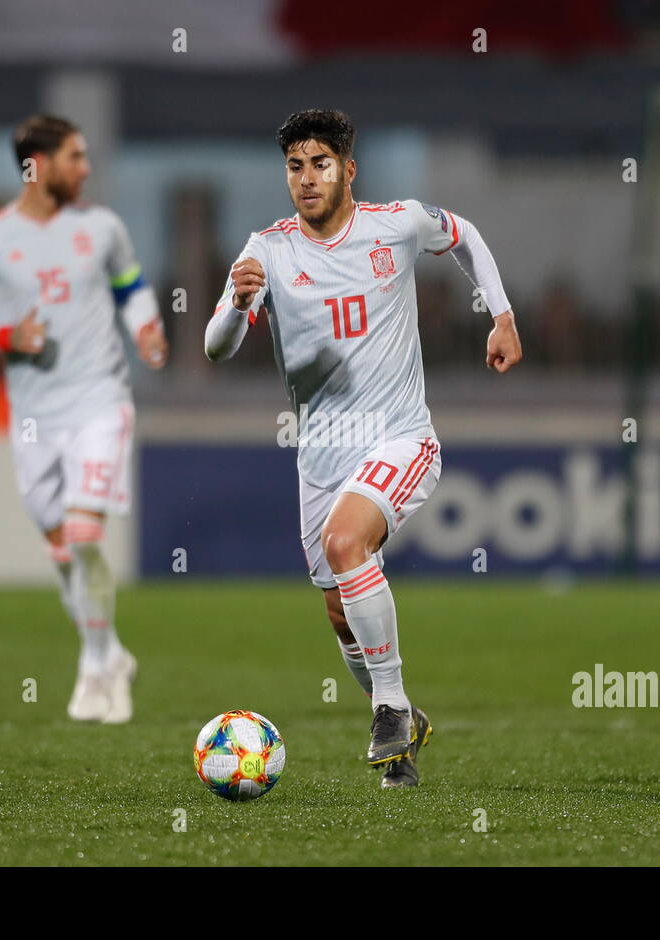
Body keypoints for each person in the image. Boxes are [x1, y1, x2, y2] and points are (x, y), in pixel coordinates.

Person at [204, 109, 522, 787]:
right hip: (320, 453)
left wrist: (501, 315)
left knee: (350, 544)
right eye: (294, 166)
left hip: (401, 436)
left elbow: (465, 236)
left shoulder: (397, 224)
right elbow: (215, 346)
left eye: (320, 164)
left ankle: (387, 707)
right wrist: (236, 304)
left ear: (349, 169)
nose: (307, 178)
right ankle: (405, 724)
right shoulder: (266, 250)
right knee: (338, 609)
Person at [0, 115, 169, 723]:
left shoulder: (101, 227)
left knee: (83, 535)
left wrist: (146, 324)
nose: (86, 168)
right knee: (63, 550)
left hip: (100, 400)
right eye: (75, 157)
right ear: (37, 165)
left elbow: (132, 286)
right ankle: (107, 652)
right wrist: (6, 335)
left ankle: (96, 669)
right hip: (34, 417)